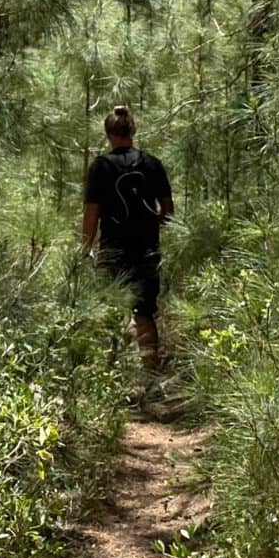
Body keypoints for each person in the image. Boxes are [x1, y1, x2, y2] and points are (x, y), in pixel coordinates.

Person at [81, 104, 173, 373]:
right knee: (144, 311)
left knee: (111, 309)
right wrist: (152, 225)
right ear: (133, 130)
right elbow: (168, 211)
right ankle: (150, 372)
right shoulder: (152, 164)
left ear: (108, 133)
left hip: (113, 249)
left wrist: (86, 247)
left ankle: (111, 373)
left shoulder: (100, 167)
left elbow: (91, 214)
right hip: (146, 248)